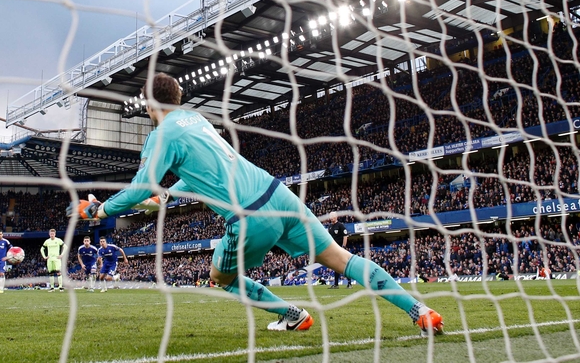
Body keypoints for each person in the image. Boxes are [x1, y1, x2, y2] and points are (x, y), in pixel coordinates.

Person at [77, 73, 443, 335]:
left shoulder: (161, 135)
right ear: (177, 98)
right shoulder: (196, 121)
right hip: (279, 193)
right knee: (342, 260)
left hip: (249, 216)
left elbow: (141, 190)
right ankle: (419, 310)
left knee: (221, 277)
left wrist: (100, 210)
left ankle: (291, 314)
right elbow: (205, 173)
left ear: (148, 104)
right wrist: (170, 195)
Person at [326, 212, 350, 288]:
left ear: (336, 217)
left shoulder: (340, 225)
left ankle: (349, 283)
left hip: (340, 248)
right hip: (333, 249)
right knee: (336, 266)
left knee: (344, 265)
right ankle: (336, 284)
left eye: (332, 216)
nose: (331, 218)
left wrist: (343, 247)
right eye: (330, 217)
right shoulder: (329, 227)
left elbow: (345, 236)